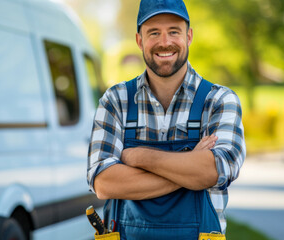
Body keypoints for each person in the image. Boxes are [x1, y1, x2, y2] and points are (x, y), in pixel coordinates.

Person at [87, 0, 246, 239]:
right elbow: (105, 184)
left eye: (174, 31)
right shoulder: (115, 101)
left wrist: (137, 157)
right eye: (154, 33)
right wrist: (190, 165)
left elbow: (215, 171)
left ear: (189, 36)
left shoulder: (219, 101)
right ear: (139, 40)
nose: (165, 42)